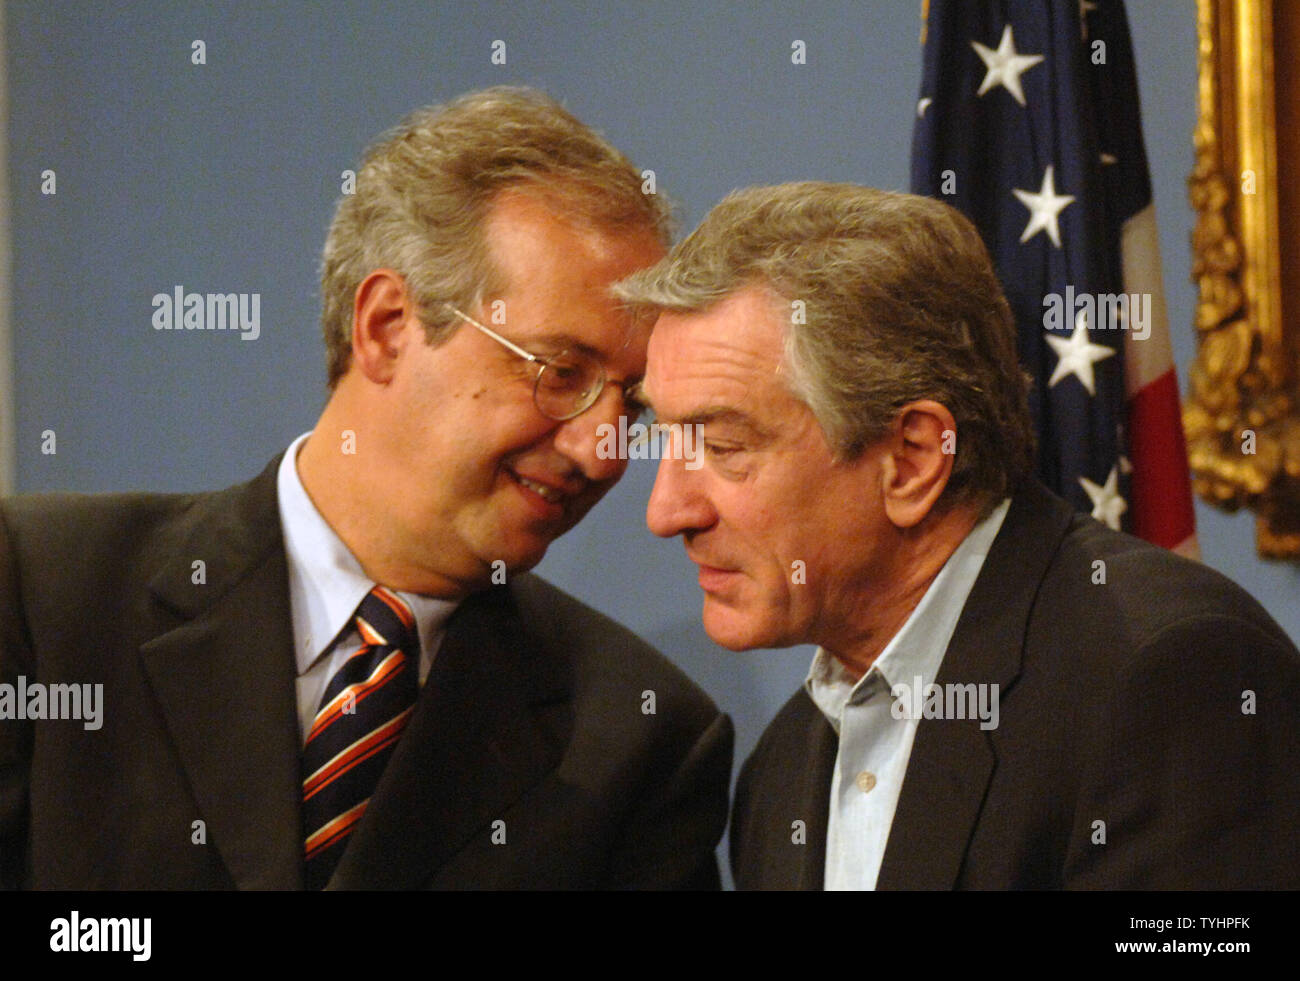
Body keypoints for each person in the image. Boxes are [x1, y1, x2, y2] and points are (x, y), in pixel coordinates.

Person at [0, 87, 732, 890]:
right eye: (562, 373)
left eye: (630, 401)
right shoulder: (42, 593)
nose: (605, 449)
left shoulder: (639, 740)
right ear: (386, 326)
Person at [613, 181, 1300, 889]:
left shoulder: (1171, 681)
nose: (667, 511)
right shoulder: (781, 772)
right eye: (664, 439)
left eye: (724, 446)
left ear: (910, 461)